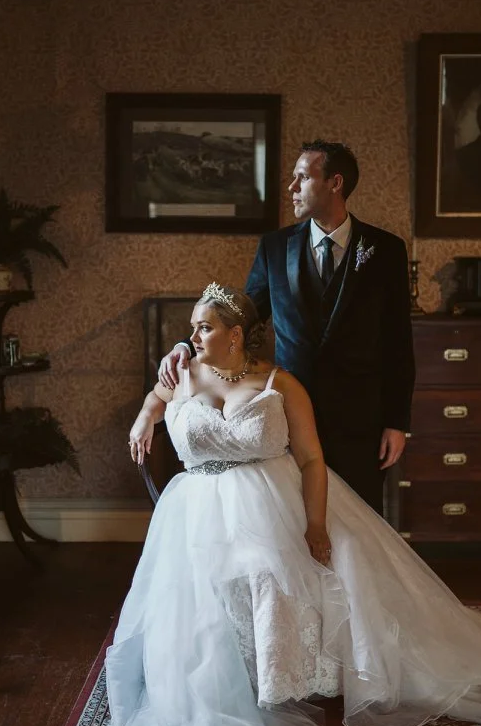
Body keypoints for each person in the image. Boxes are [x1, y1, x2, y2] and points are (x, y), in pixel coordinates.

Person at [111, 283, 481, 726]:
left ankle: (288, 679)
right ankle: (222, 684)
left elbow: (314, 460)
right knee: (201, 598)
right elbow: (156, 403)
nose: (191, 336)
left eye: (203, 327)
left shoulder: (280, 383)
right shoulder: (179, 372)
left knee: (291, 572)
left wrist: (316, 524)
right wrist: (143, 418)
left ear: (233, 334)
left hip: (272, 501)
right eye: (191, 327)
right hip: (197, 513)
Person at [159, 140, 414, 512]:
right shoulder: (275, 247)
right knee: (295, 518)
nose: (292, 188)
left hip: (361, 418)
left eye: (301, 177)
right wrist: (187, 344)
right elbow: (242, 315)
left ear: (334, 182)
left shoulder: (385, 250)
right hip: (289, 411)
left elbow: (398, 341)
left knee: (360, 519)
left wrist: (396, 421)